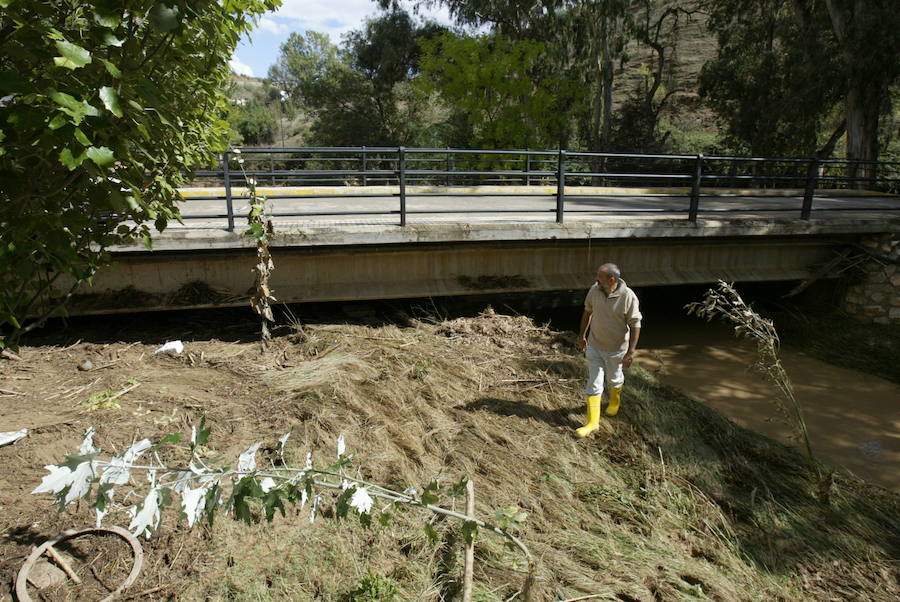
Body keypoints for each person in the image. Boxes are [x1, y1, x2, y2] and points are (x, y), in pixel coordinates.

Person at [575, 263, 642, 437]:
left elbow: (635, 324)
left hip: (616, 349)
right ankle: (592, 423)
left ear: (612, 279)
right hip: (595, 345)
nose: (596, 279)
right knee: (594, 383)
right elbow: (587, 312)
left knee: (613, 378)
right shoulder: (594, 290)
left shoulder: (628, 296)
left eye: (600, 276)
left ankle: (614, 401)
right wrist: (582, 335)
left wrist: (631, 352)